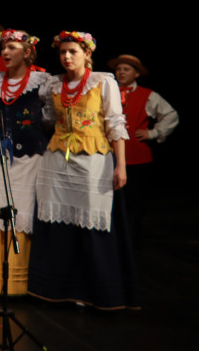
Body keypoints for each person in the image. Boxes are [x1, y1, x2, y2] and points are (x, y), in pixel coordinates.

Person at [29, 31, 139, 309]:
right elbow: (49, 120)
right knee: (59, 224)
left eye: (73, 52)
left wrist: (120, 165)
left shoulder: (103, 82)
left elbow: (115, 123)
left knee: (90, 220)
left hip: (93, 158)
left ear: (87, 54)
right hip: (57, 159)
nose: (66, 57)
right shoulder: (54, 85)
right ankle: (59, 288)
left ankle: (94, 291)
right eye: (63, 52)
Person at [0, 29, 54, 296]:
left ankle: (21, 282)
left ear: (27, 52)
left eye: (11, 47)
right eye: (3, 48)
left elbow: (49, 118)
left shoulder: (41, 82)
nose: (5, 52)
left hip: (30, 158)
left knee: (23, 213)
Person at [108, 53, 178, 253]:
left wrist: (153, 132)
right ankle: (111, 246)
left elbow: (170, 115)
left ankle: (131, 247)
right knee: (110, 205)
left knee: (133, 206)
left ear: (137, 73)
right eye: (119, 69)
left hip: (137, 159)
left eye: (126, 69)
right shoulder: (108, 92)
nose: (121, 72)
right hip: (110, 158)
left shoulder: (147, 95)